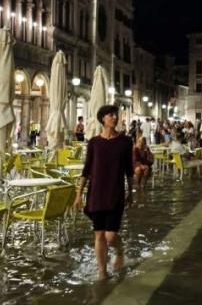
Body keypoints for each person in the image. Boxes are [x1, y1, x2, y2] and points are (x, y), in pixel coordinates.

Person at [74, 105, 134, 280]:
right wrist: (79, 195)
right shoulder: (93, 142)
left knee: (110, 235)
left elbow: (129, 170)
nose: (114, 118)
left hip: (115, 193)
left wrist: (131, 192)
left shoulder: (125, 142)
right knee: (99, 234)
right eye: (110, 115)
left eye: (115, 115)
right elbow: (86, 170)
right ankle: (102, 271)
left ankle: (120, 250)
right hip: (96, 194)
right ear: (102, 119)